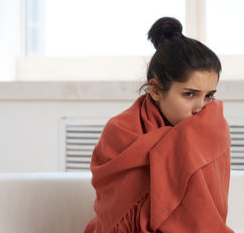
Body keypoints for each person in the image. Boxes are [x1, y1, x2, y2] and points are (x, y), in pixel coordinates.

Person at [84, 17, 234, 233]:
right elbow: (113, 214)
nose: (200, 107)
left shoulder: (211, 127)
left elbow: (210, 212)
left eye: (209, 95)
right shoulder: (120, 132)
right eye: (189, 94)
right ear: (154, 90)